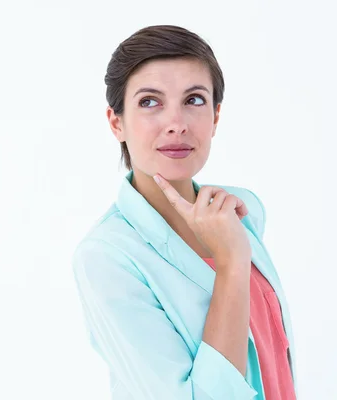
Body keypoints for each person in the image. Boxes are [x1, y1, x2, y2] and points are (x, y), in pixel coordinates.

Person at [72, 25, 297, 400]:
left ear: (216, 116)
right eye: (149, 102)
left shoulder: (241, 212)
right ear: (117, 122)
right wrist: (230, 264)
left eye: (194, 100)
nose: (176, 123)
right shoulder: (106, 258)